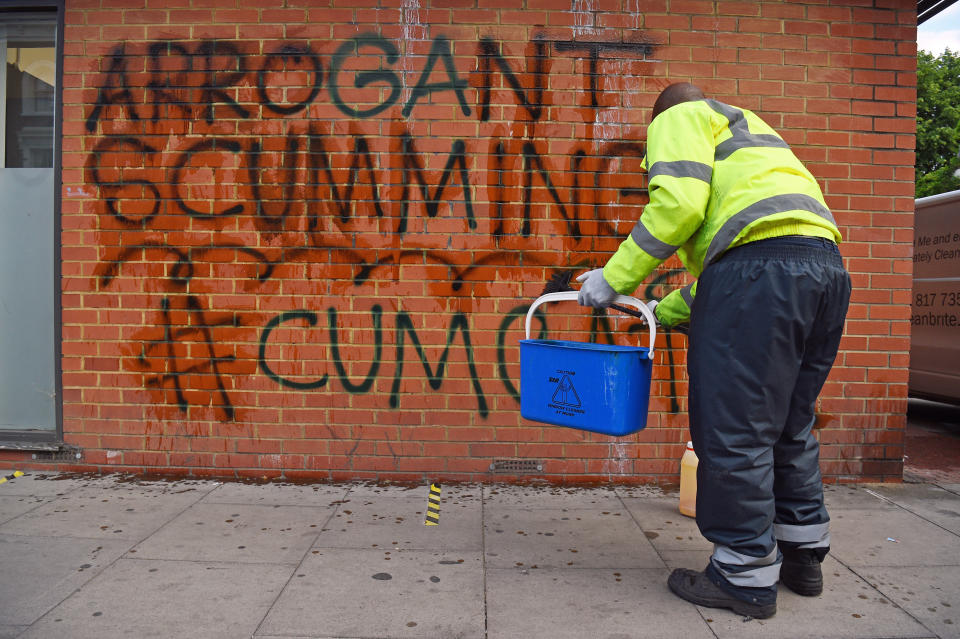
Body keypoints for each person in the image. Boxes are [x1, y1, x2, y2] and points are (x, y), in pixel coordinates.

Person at [577, 82, 851, 619]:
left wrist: (613, 278)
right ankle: (802, 554)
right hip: (823, 272)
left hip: (758, 275)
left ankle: (743, 575)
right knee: (788, 424)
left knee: (734, 430)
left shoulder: (680, 117)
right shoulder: (752, 136)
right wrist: (655, 311)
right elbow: (741, 271)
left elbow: (679, 206)